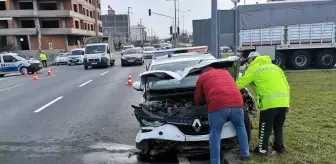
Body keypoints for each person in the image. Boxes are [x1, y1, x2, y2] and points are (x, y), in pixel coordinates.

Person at [236, 52, 290, 155]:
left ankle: (262, 149)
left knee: (265, 128)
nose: (248, 63)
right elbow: (287, 86)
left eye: (248, 60)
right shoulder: (276, 67)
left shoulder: (254, 69)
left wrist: (228, 83)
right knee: (278, 126)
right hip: (283, 101)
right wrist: (287, 104)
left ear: (252, 59)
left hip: (269, 103)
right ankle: (279, 147)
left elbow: (239, 84)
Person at [194, 67, 250, 164]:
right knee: (240, 127)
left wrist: (201, 102)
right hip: (237, 103)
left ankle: (215, 161)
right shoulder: (225, 72)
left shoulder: (202, 77)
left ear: (202, 72)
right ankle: (245, 154)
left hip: (218, 105)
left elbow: (198, 98)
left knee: (215, 133)